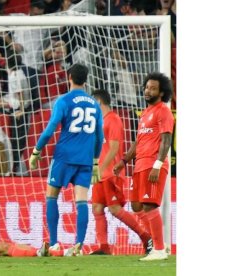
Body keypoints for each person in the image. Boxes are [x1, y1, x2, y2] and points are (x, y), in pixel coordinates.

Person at [29, 63, 104, 256]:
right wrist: (95, 161)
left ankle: (54, 244)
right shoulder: (94, 104)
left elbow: (50, 129)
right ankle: (79, 245)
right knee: (81, 202)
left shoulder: (63, 101)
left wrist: (36, 151)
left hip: (64, 157)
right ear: (86, 79)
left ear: (69, 76)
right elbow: (99, 135)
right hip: (86, 159)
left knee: (52, 196)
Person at [113, 72, 174, 261]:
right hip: (139, 165)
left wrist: (157, 164)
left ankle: (159, 249)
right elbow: (138, 143)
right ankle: (155, 242)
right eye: (147, 87)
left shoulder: (163, 110)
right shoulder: (145, 113)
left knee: (149, 205)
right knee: (136, 205)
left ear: (162, 92)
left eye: (153, 88)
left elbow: (166, 140)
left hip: (153, 164)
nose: (148, 91)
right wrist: (123, 161)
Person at [89, 89, 152, 255]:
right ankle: (104, 247)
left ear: (99, 102)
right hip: (100, 172)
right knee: (97, 208)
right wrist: (95, 168)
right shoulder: (98, 122)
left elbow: (115, 148)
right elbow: (98, 148)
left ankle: (146, 237)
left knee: (115, 209)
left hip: (111, 173)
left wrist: (102, 169)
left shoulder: (114, 120)